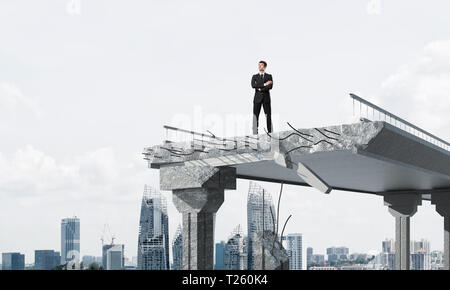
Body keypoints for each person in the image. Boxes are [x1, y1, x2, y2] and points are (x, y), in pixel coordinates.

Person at [251, 60, 273, 135]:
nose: (259, 66)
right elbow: (253, 86)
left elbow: (270, 86)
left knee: (268, 115)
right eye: (259, 65)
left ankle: (270, 132)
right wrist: (264, 84)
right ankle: (254, 133)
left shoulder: (269, 76)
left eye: (261, 65)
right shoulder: (255, 76)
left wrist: (260, 88)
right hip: (257, 99)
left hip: (266, 99)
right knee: (255, 116)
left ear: (265, 67)